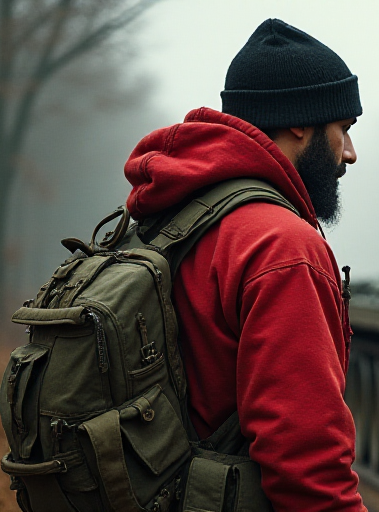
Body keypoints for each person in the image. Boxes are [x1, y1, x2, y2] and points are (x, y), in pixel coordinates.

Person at [123, 19, 366, 512]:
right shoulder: (281, 246)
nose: (350, 154)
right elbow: (307, 464)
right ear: (300, 121)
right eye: (342, 129)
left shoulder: (170, 216)